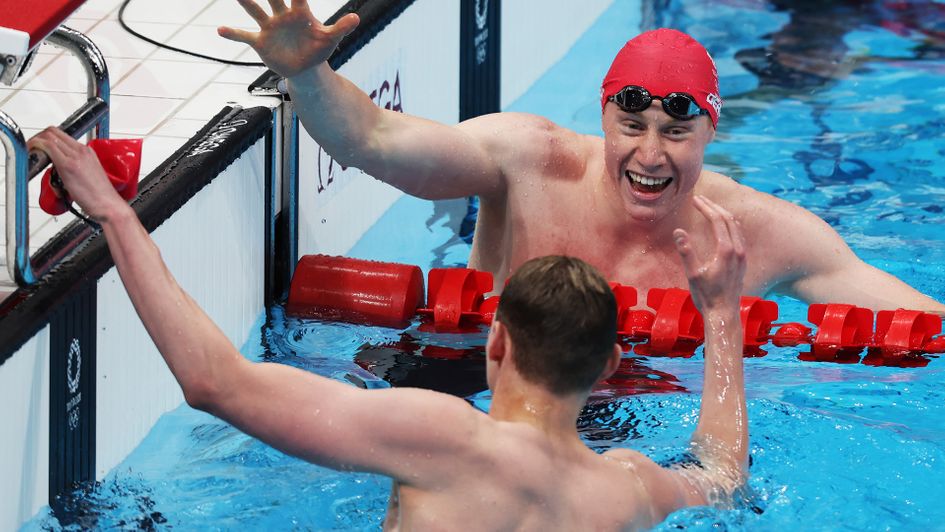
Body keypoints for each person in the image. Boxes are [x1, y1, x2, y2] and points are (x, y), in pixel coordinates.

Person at [30, 126, 748, 530]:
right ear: (607, 366)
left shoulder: (444, 438)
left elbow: (214, 383)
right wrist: (719, 317)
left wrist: (114, 213)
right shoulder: (625, 490)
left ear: (495, 343)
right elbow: (721, 473)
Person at [218, 1, 945, 313]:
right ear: (600, 116)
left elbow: (920, 321)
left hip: (642, 430)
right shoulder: (526, 160)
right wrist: (307, 74)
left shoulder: (760, 233)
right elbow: (370, 140)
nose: (648, 155)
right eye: (629, 125)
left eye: (674, 132)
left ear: (710, 136)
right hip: (485, 387)